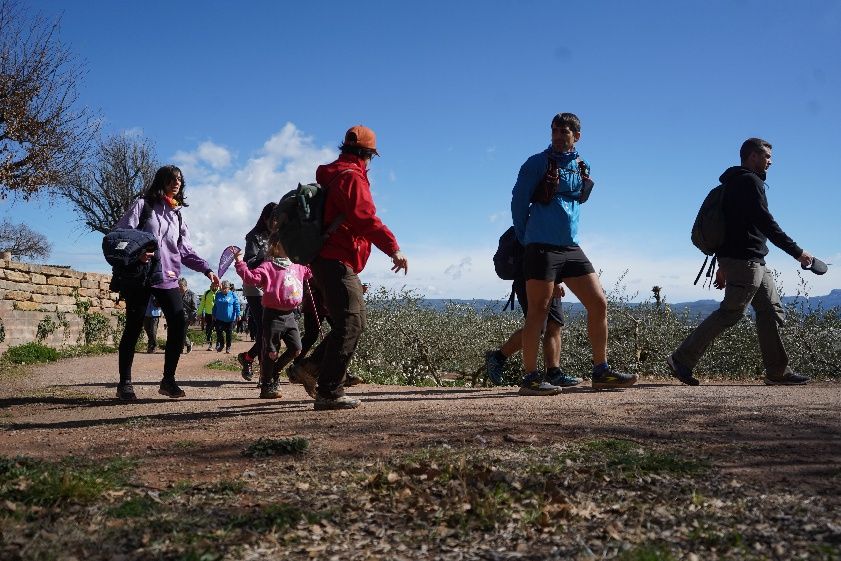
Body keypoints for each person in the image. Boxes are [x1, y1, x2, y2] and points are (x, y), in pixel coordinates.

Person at [667, 138, 814, 386]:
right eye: (766, 155)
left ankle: (777, 371)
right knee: (731, 312)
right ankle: (681, 359)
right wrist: (797, 252)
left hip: (750, 260)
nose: (771, 161)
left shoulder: (734, 183)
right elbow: (765, 222)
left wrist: (724, 266)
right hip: (745, 261)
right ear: (752, 156)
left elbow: (734, 227)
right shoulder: (748, 181)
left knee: (771, 310)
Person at [511, 112, 637, 396]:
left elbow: (578, 202)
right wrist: (526, 239)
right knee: (538, 313)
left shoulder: (583, 165)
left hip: (570, 246)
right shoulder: (536, 163)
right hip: (540, 245)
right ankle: (530, 378)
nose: (557, 136)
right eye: (554, 131)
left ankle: (601, 371)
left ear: (576, 136)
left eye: (564, 132)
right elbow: (518, 202)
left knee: (599, 302)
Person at [287, 125, 408, 411]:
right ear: (368, 155)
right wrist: (394, 248)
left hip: (327, 258)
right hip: (335, 259)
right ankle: (329, 390)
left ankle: (311, 368)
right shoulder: (352, 178)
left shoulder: (336, 175)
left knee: (349, 322)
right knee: (352, 322)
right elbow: (365, 218)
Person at [113, 165, 219, 400]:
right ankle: (125, 383)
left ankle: (168, 380)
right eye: (172, 179)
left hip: (168, 276)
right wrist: (136, 253)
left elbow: (186, 251)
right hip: (140, 276)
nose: (177, 183)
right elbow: (120, 233)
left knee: (179, 323)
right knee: (133, 326)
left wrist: (207, 270)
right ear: (161, 181)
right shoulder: (143, 205)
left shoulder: (177, 215)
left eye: (180, 179)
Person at [234, 240, 312, 398]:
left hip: (291, 314)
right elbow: (251, 278)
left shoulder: (298, 266)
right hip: (272, 315)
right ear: (276, 247)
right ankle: (267, 384)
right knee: (271, 352)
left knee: (296, 348)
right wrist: (239, 262)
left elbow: (311, 272)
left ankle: (275, 371)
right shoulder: (268, 266)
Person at [484, 278, 581, 387]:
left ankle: (554, 374)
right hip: (531, 278)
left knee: (554, 323)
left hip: (550, 278)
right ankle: (498, 357)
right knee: (536, 327)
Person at [236, 202, 276, 382]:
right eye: (274, 219)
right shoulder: (254, 236)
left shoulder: (280, 236)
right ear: (266, 218)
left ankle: (248, 357)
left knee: (271, 329)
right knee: (264, 328)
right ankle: (264, 374)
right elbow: (250, 261)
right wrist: (268, 259)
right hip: (254, 287)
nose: (277, 223)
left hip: (272, 286)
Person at [212, 280, 240, 353]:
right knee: (219, 332)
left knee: (229, 333)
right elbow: (215, 306)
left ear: (228, 288)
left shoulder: (233, 295)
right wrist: (213, 314)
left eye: (225, 288)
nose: (223, 290)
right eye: (222, 288)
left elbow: (236, 305)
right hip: (219, 318)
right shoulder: (218, 294)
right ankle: (222, 344)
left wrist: (238, 314)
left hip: (229, 319)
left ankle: (228, 347)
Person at [178, 278, 196, 354]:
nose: (179, 287)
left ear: (185, 285)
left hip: (187, 317)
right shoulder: (177, 293)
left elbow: (194, 308)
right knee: (179, 332)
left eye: (180, 285)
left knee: (182, 332)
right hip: (177, 316)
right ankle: (188, 344)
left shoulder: (192, 294)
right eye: (178, 285)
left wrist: (192, 318)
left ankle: (183, 347)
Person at [197, 284, 217, 351]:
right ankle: (210, 344)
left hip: (218, 314)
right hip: (209, 314)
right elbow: (202, 303)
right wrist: (199, 313)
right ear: (210, 286)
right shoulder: (207, 293)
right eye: (212, 285)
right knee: (208, 330)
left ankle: (219, 343)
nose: (214, 287)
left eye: (215, 285)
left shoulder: (220, 293)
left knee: (219, 329)